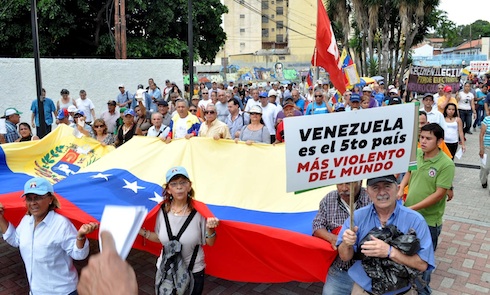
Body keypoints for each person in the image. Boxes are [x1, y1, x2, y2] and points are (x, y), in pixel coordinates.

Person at [337, 175, 435, 295]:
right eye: (375, 188)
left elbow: (423, 264)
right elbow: (344, 257)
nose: (382, 192)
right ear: (367, 192)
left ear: (398, 188)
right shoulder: (356, 217)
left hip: (402, 291)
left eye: (387, 186)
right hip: (364, 290)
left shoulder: (415, 220)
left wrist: (390, 252)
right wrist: (346, 243)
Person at [0, 177, 98, 295]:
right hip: (36, 291)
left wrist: (80, 236)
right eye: (29, 199)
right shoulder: (27, 220)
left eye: (38, 198)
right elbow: (16, 240)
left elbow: (78, 254)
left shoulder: (61, 224)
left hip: (62, 292)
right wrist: (1, 217)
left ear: (50, 199)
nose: (33, 203)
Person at [138, 166, 219, 295]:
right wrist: (139, 230)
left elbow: (210, 242)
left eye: (183, 183)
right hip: (166, 272)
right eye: (174, 184)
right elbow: (160, 238)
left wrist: (210, 228)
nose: (179, 187)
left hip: (192, 272)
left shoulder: (200, 212)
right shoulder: (162, 210)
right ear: (168, 189)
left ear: (189, 186)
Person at [399, 123, 455, 295]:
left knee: (423, 264)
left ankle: (424, 291)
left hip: (429, 222)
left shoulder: (446, 164)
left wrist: (412, 208)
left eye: (428, 138)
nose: (423, 141)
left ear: (439, 141)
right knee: (404, 256)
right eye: (421, 137)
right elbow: (409, 172)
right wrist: (400, 189)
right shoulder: (416, 153)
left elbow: (439, 194)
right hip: (409, 216)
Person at [312, 181, 371, 295]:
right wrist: (333, 238)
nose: (343, 188)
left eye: (348, 183)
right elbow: (317, 226)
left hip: (368, 270)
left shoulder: (370, 198)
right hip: (340, 269)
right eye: (339, 184)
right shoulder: (329, 199)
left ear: (360, 182)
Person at [479, 112, 490, 188]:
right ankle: (483, 180)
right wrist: (481, 148)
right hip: (487, 146)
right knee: (485, 167)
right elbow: (481, 134)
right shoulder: (487, 119)